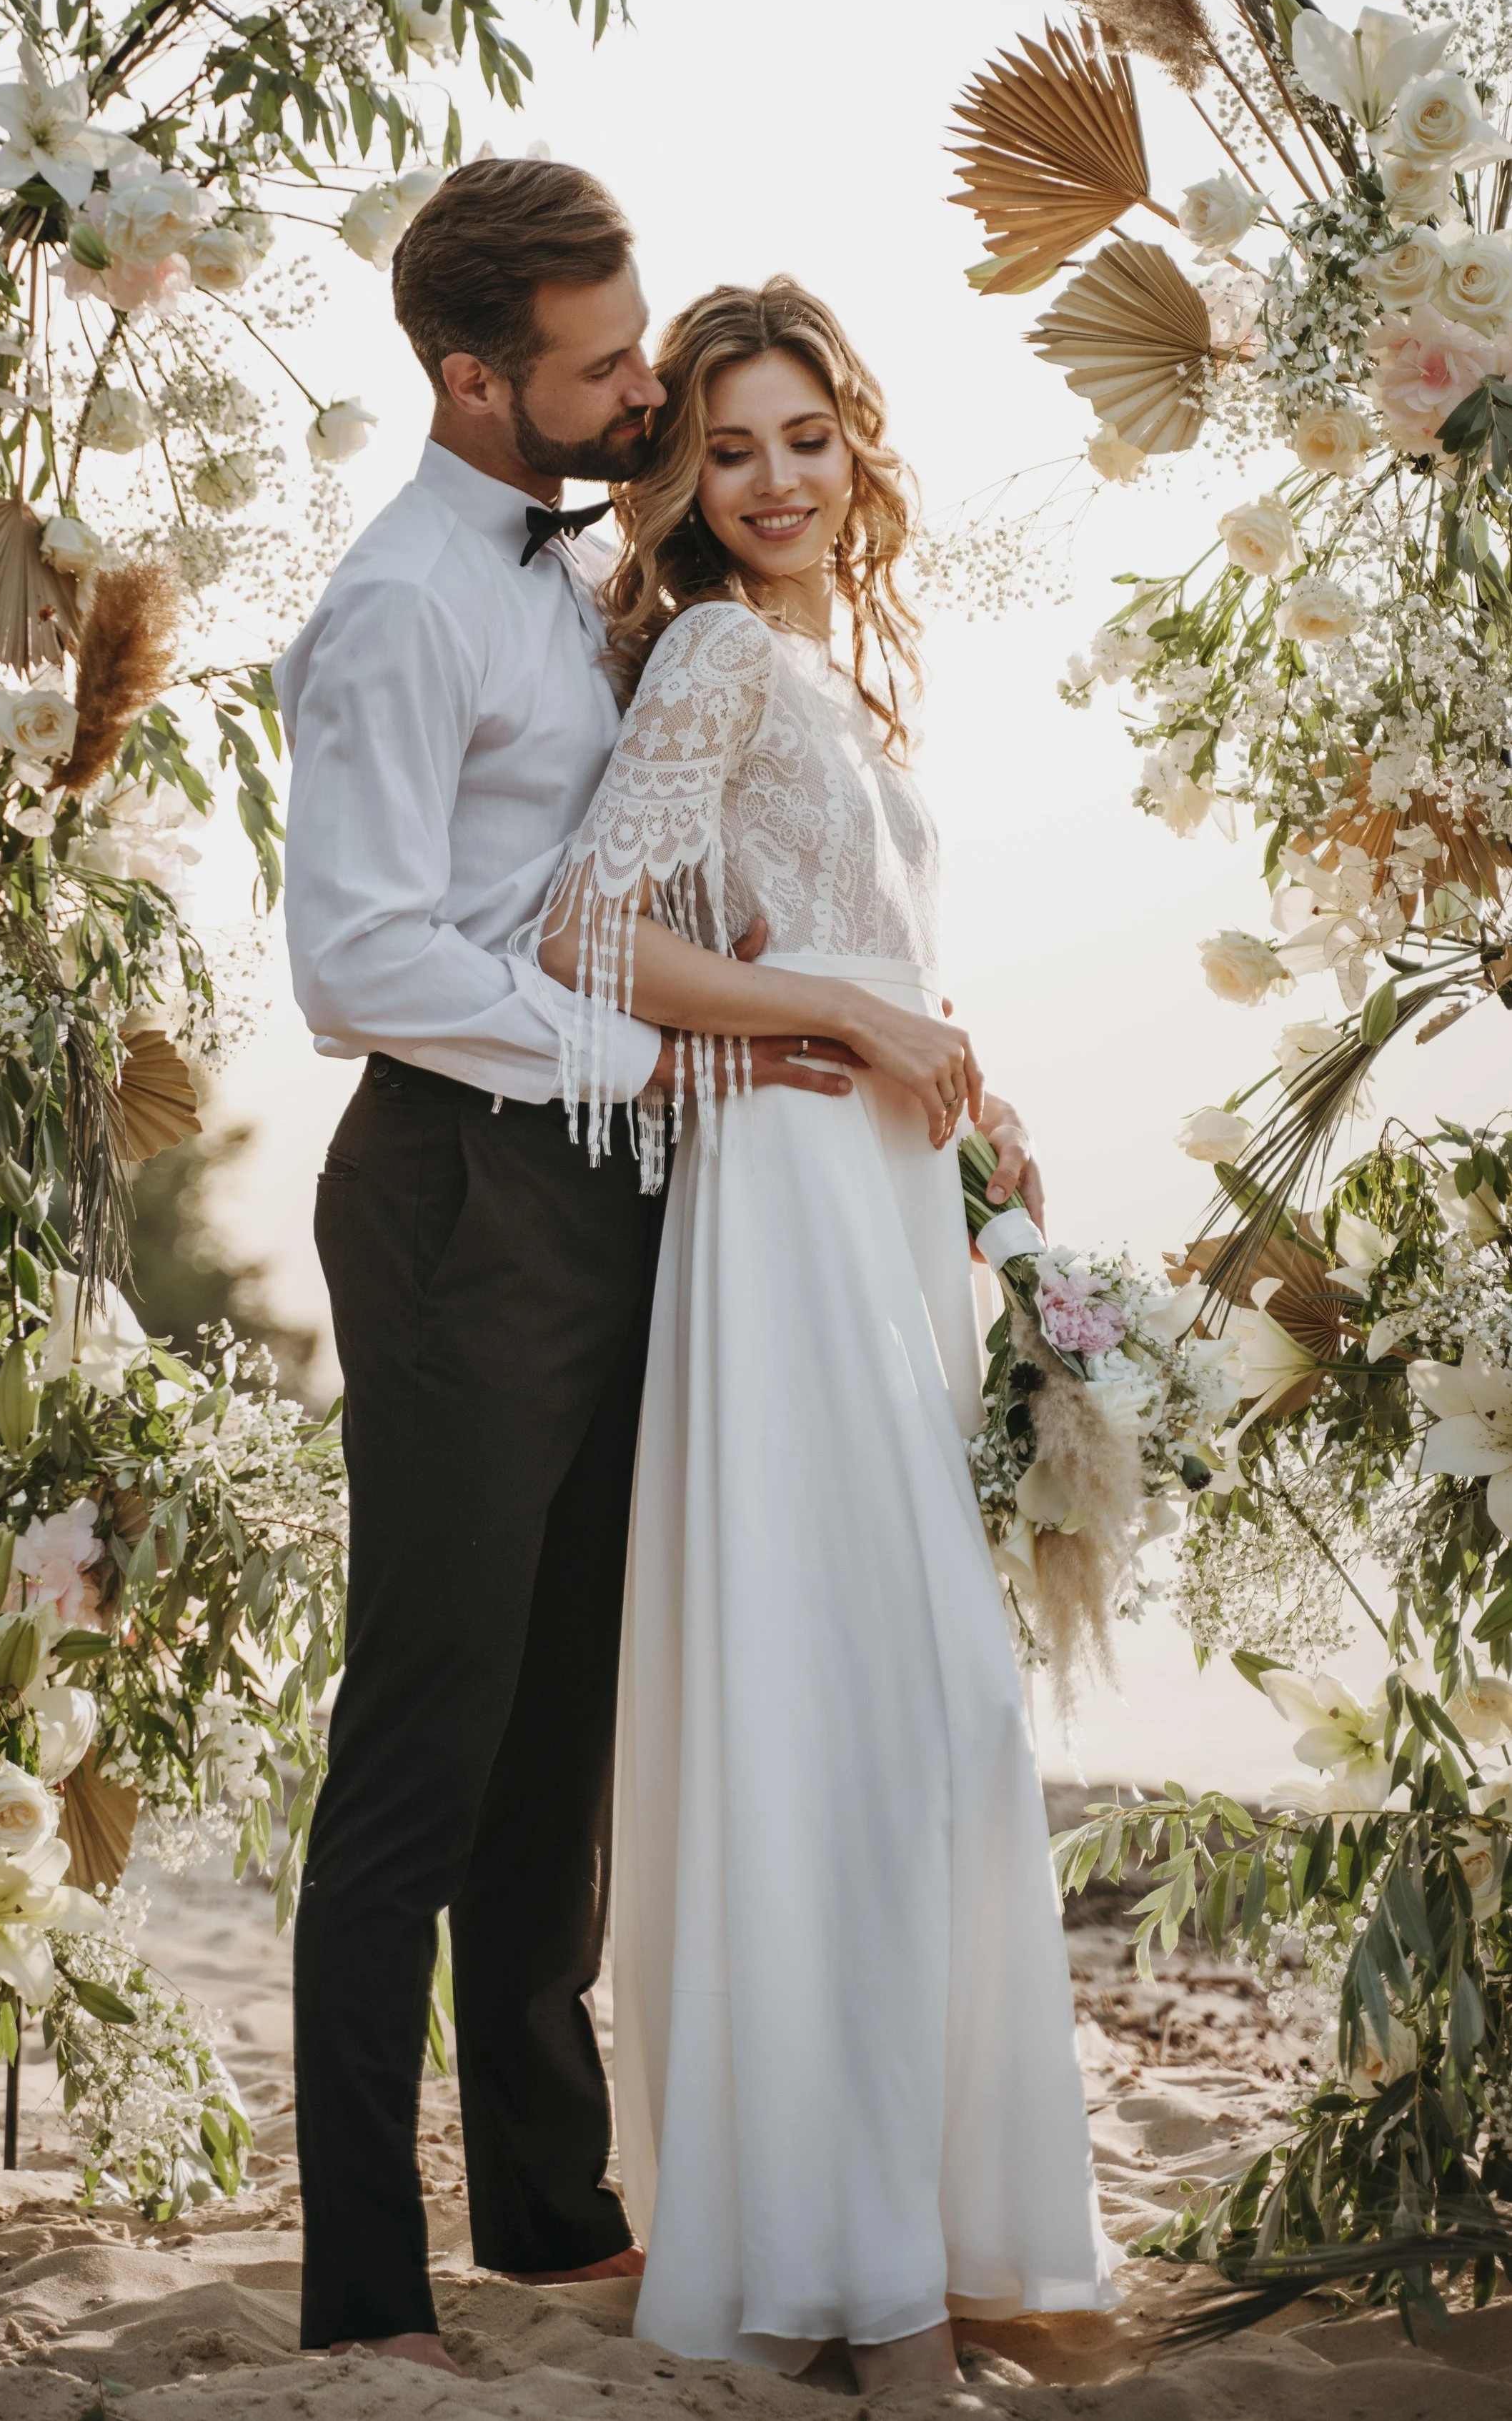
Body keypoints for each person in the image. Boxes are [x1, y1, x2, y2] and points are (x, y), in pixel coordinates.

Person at [272, 164, 878, 2368]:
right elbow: (358, 956)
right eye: (606, 365)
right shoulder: (403, 603)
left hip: (603, 1181)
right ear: (469, 377)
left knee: (558, 1739)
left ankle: (542, 2209)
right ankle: (359, 2286)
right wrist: (634, 1042)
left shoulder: (571, 578)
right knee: (424, 1734)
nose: (642, 388)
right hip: (454, 1191)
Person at [525, 277, 1119, 2389]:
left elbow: (856, 952)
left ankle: (906, 2254)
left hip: (883, 1216)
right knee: (874, 1724)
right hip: (776, 1221)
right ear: (684, 473)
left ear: (850, 442)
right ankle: (853, 2289)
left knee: (918, 1729)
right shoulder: (701, 651)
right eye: (733, 445)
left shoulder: (825, 670)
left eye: (805, 435)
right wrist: (842, 1015)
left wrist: (967, 1090)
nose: (776, 478)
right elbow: (588, 929)